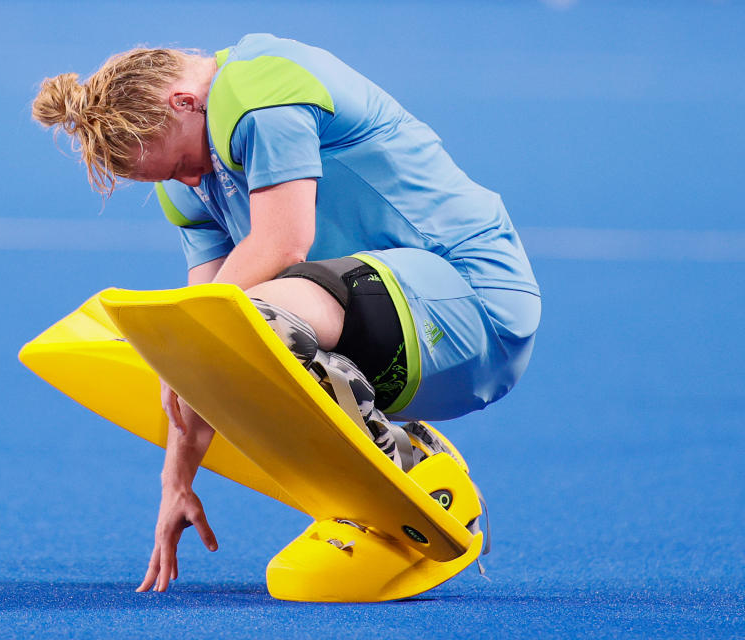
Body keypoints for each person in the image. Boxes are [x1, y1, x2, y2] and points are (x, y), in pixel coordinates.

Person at [32, 33, 540, 593]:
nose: (189, 181)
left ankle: (418, 475)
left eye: (180, 162)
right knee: (230, 339)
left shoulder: (259, 89)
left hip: (473, 303)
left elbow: (281, 245)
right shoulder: (189, 188)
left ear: (182, 101)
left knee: (249, 326)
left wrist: (188, 350)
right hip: (393, 335)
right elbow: (203, 342)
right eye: (170, 177)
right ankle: (388, 477)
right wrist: (176, 480)